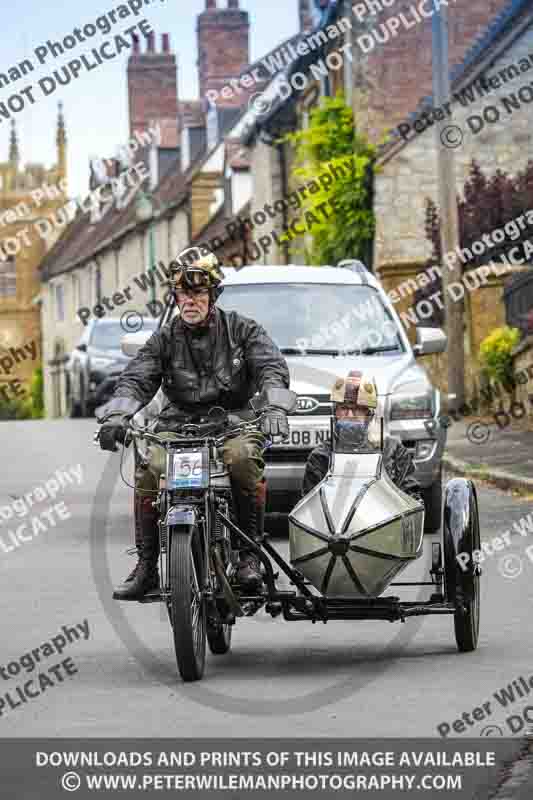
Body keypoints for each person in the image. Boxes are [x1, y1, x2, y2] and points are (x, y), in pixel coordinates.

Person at [96, 247, 291, 599]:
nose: (189, 300)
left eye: (198, 292)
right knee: (148, 467)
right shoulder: (164, 339)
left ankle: (248, 557)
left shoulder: (243, 331)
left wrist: (275, 406)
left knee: (244, 460)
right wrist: (116, 415)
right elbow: (137, 378)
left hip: (233, 424)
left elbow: (270, 368)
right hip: (178, 427)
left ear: (213, 294)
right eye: (183, 293)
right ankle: (147, 566)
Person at [302, 371, 423, 503]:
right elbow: (310, 505)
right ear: (334, 412)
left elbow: (410, 499)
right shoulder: (321, 456)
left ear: (370, 414)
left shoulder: (392, 450)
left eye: (357, 408)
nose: (349, 414)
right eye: (343, 408)